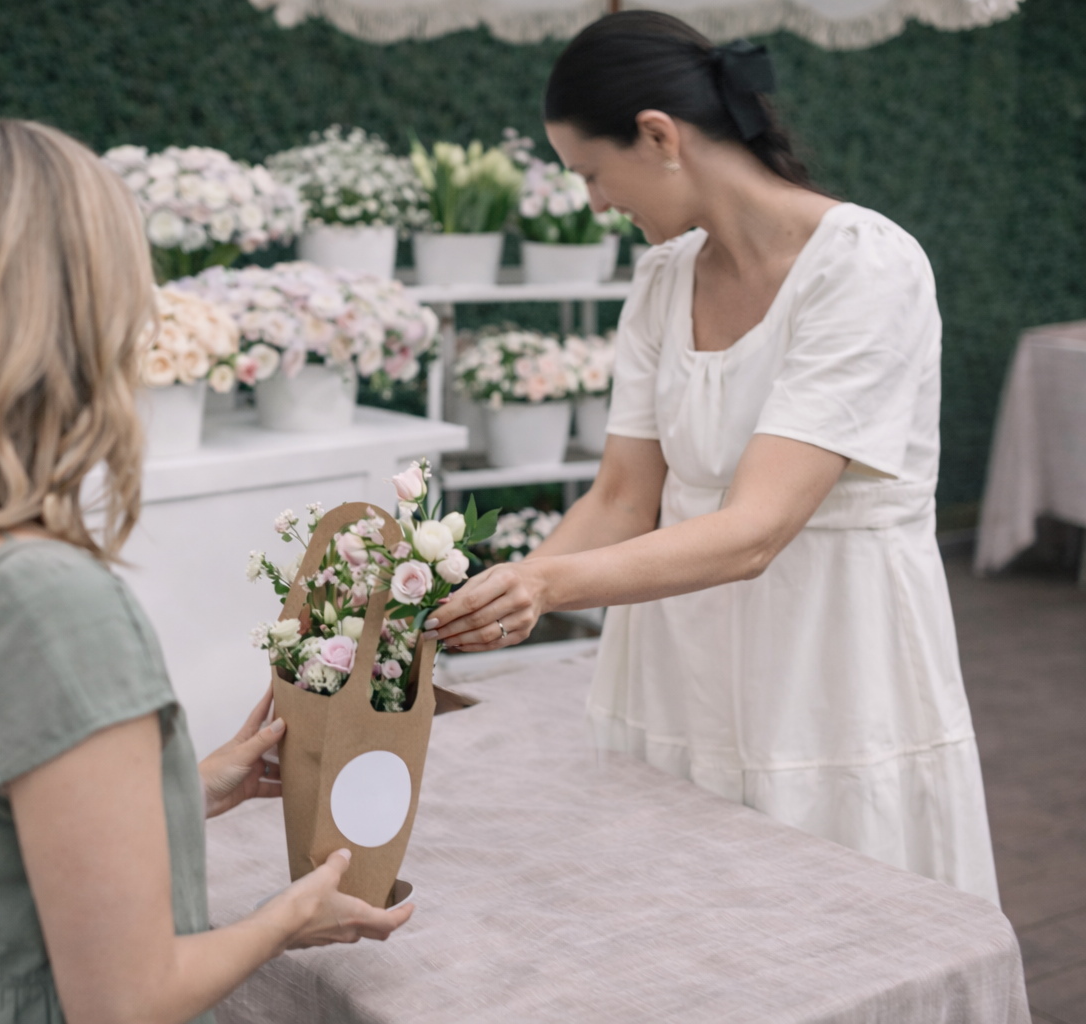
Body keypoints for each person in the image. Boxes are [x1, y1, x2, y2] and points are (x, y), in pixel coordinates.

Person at [0, 119, 412, 1024]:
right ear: (88, 316)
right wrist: (285, 918)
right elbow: (123, 1003)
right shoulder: (47, 606)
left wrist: (183, 791)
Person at [426, 11, 999, 904]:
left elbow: (757, 532)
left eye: (591, 174)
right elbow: (621, 495)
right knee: (687, 909)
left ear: (658, 136)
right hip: (676, 656)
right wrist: (500, 597)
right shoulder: (661, 279)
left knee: (835, 916)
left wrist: (547, 589)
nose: (596, 205)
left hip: (829, 659)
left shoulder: (865, 268)